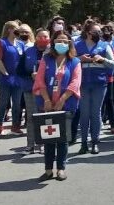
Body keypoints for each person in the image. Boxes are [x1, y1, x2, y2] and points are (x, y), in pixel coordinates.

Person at [33, 30, 81, 181]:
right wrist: (47, 100)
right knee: (48, 138)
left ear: (69, 44)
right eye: (59, 40)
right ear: (53, 42)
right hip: (46, 105)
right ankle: (48, 170)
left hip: (66, 105)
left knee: (62, 139)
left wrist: (62, 100)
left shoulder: (75, 62)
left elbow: (75, 82)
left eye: (65, 41)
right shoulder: (46, 59)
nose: (62, 44)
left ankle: (61, 169)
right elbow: (40, 80)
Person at [75, 20, 114, 155]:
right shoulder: (77, 45)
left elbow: (113, 64)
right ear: (87, 32)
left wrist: (102, 59)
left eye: (100, 31)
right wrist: (80, 59)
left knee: (96, 112)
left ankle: (95, 142)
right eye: (95, 31)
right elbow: (69, 62)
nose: (99, 33)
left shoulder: (105, 45)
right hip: (82, 83)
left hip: (99, 83)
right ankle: (84, 143)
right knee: (84, 113)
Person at [17, 28, 51, 153]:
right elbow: (19, 70)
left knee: (45, 117)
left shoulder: (53, 52)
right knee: (31, 117)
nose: (43, 39)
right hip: (30, 89)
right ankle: (30, 145)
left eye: (45, 36)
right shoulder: (27, 51)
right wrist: (31, 74)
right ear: (35, 38)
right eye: (40, 36)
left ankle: (43, 144)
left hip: (47, 90)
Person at [0, 20, 24, 136]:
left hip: (18, 78)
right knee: (3, 102)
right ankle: (0, 126)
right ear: (9, 29)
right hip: (5, 77)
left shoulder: (20, 44)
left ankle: (15, 126)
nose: (18, 30)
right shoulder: (1, 43)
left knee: (17, 103)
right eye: (16, 28)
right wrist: (5, 73)